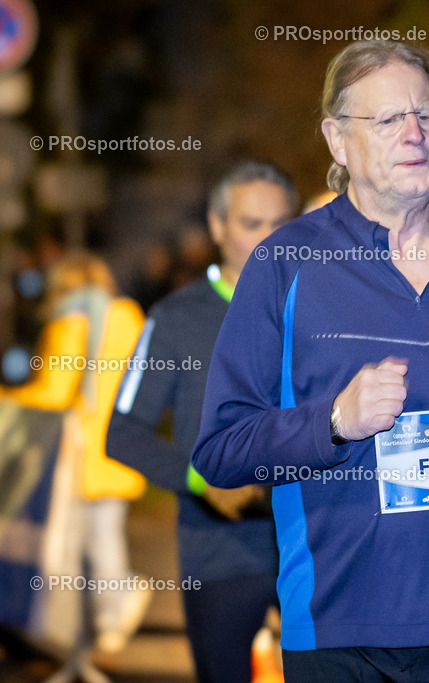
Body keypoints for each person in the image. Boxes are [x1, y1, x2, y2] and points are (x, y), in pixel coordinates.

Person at [191, 40, 429, 681]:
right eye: (388, 120)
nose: (415, 133)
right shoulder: (285, 267)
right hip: (341, 637)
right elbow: (221, 450)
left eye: (427, 114)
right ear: (337, 141)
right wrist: (333, 420)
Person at [107, 161, 298, 683]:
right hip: (219, 555)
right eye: (249, 223)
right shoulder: (173, 319)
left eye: (278, 223)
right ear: (217, 227)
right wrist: (200, 479)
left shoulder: (322, 312)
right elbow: (121, 433)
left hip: (313, 544)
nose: (266, 239)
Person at [0, 252, 149, 653]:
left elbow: (53, 392)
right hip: (122, 445)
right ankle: (111, 618)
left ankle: (79, 628)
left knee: (75, 542)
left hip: (79, 452)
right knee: (105, 539)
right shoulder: (129, 316)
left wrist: (8, 398)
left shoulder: (70, 320)